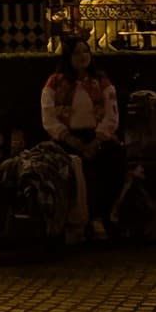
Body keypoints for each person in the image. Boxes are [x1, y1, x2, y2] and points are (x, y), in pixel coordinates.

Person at [39, 37, 124, 238]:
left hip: (97, 137)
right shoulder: (55, 83)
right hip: (67, 138)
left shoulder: (101, 82)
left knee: (113, 161)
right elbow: (48, 116)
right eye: (77, 53)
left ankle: (101, 216)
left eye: (85, 52)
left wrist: (98, 139)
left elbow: (112, 114)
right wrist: (69, 139)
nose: (82, 57)